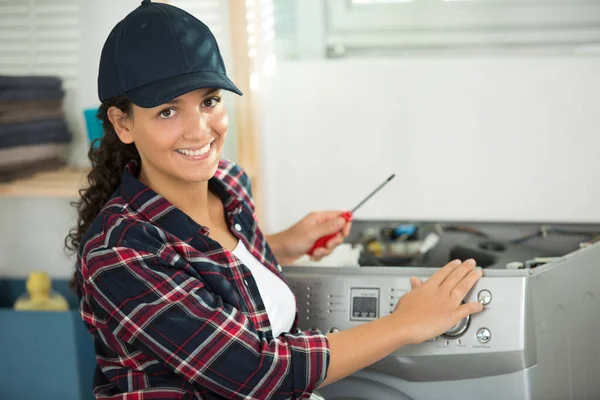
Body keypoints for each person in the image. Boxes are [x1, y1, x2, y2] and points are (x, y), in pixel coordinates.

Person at [65, 1, 484, 399]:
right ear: (123, 122)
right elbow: (255, 372)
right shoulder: (118, 251)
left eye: (209, 101)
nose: (199, 130)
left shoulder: (230, 184)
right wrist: (406, 324)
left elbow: (209, 267)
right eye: (168, 112)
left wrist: (279, 244)